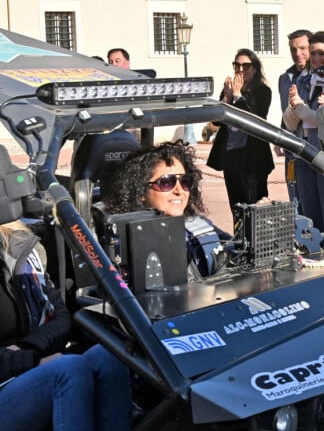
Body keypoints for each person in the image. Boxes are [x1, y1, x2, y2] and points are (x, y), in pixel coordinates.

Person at [0, 220, 132, 431]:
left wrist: (29, 349)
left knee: (109, 354)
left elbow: (60, 318)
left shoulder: (19, 246)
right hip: (8, 378)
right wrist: (31, 361)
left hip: (30, 362)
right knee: (69, 369)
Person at [105, 140, 231, 280]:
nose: (179, 191)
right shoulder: (128, 239)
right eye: (166, 182)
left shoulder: (197, 224)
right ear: (141, 191)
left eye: (185, 181)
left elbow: (236, 247)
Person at [283, 31, 324, 247]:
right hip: (304, 155)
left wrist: (301, 108)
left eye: (321, 53)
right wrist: (294, 106)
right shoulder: (303, 79)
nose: (316, 58)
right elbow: (290, 123)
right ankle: (315, 259)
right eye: (313, 53)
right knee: (309, 216)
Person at [207, 49, 275, 213]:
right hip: (231, 155)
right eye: (237, 65)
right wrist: (227, 99)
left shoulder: (263, 91)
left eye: (246, 66)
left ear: (254, 68)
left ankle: (255, 238)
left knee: (254, 206)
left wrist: (238, 95)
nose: (240, 69)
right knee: (236, 207)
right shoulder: (229, 89)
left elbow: (254, 120)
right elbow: (216, 121)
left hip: (252, 158)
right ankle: (239, 237)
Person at [278, 29, 312, 212]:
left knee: (314, 210)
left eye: (303, 48)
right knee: (295, 205)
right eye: (293, 49)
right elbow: (284, 112)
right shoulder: (285, 79)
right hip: (291, 153)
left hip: (311, 151)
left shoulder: (319, 77)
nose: (298, 54)